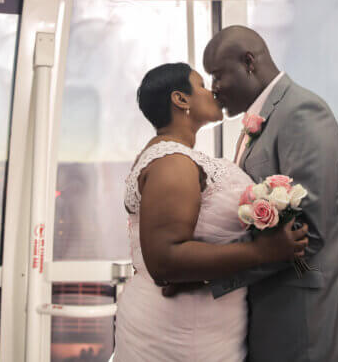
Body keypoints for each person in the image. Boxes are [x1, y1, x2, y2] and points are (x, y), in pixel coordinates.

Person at [114, 62, 308, 362]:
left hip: (198, 327)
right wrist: (265, 251)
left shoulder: (174, 156)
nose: (212, 91)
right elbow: (166, 260)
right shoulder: (173, 162)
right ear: (181, 99)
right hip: (181, 335)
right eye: (202, 85)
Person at [201, 25, 338, 361]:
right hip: (275, 311)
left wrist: (210, 274)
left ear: (249, 62)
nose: (214, 89)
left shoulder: (301, 113)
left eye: (218, 76)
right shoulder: (266, 118)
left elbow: (308, 233)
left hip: (305, 317)